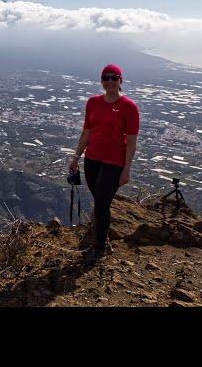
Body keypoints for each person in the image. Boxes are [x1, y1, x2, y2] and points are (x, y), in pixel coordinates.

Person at [68, 64, 140, 261]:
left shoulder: (129, 107)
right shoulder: (93, 102)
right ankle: (102, 240)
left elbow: (132, 142)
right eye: (106, 78)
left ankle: (99, 248)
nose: (110, 81)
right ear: (101, 81)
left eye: (114, 77)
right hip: (92, 160)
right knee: (100, 203)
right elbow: (87, 132)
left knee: (101, 203)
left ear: (120, 81)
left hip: (114, 162)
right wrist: (76, 157)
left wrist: (127, 169)